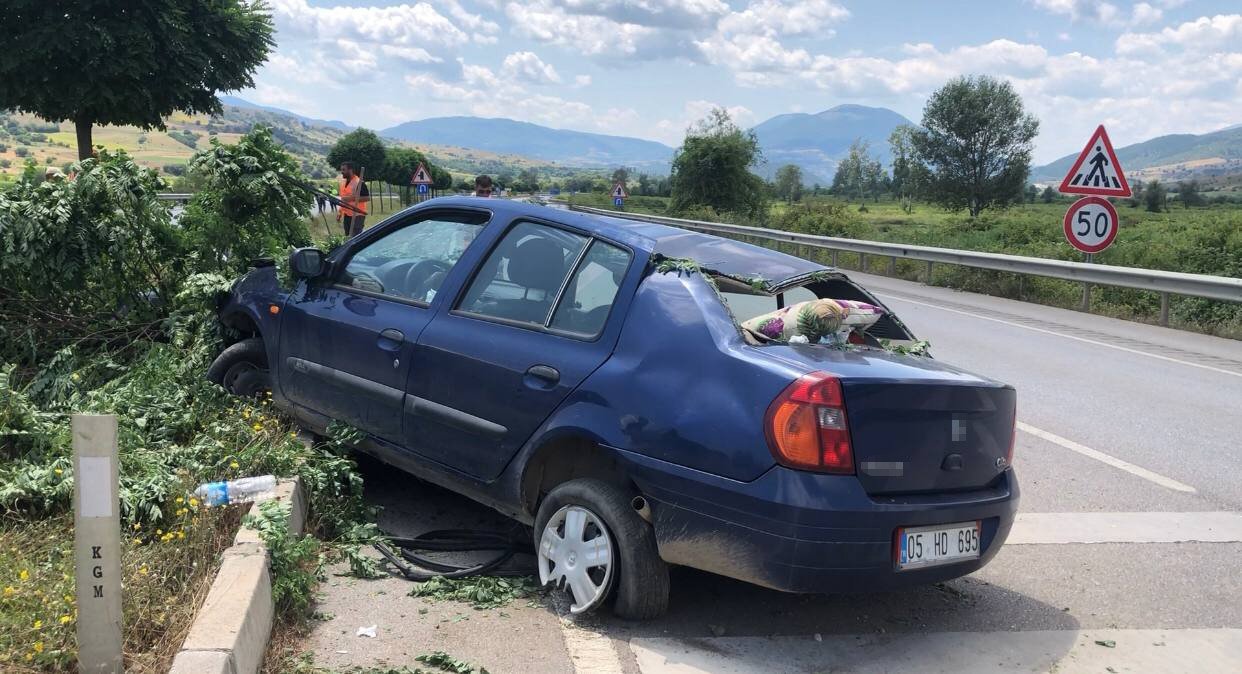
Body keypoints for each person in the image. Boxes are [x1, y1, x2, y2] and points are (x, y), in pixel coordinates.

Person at [336, 162, 370, 237]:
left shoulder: (359, 182)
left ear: (350, 170)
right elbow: (343, 200)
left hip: (357, 214)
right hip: (347, 214)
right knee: (347, 236)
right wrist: (340, 212)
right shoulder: (343, 182)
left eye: (344, 170)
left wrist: (351, 198)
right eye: (341, 170)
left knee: (355, 236)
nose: (342, 172)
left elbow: (367, 198)